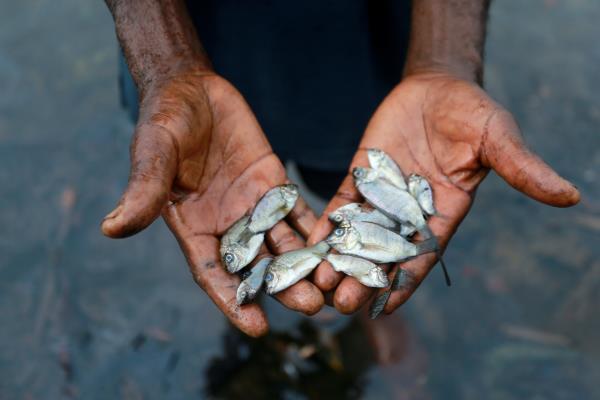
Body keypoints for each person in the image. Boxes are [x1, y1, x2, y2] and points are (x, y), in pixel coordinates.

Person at [101, 0, 580, 338]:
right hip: (195, 20)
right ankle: (260, 284)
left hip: (370, 28)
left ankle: (376, 304)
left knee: (348, 169)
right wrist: (168, 62)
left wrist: (444, 58)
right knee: (199, 174)